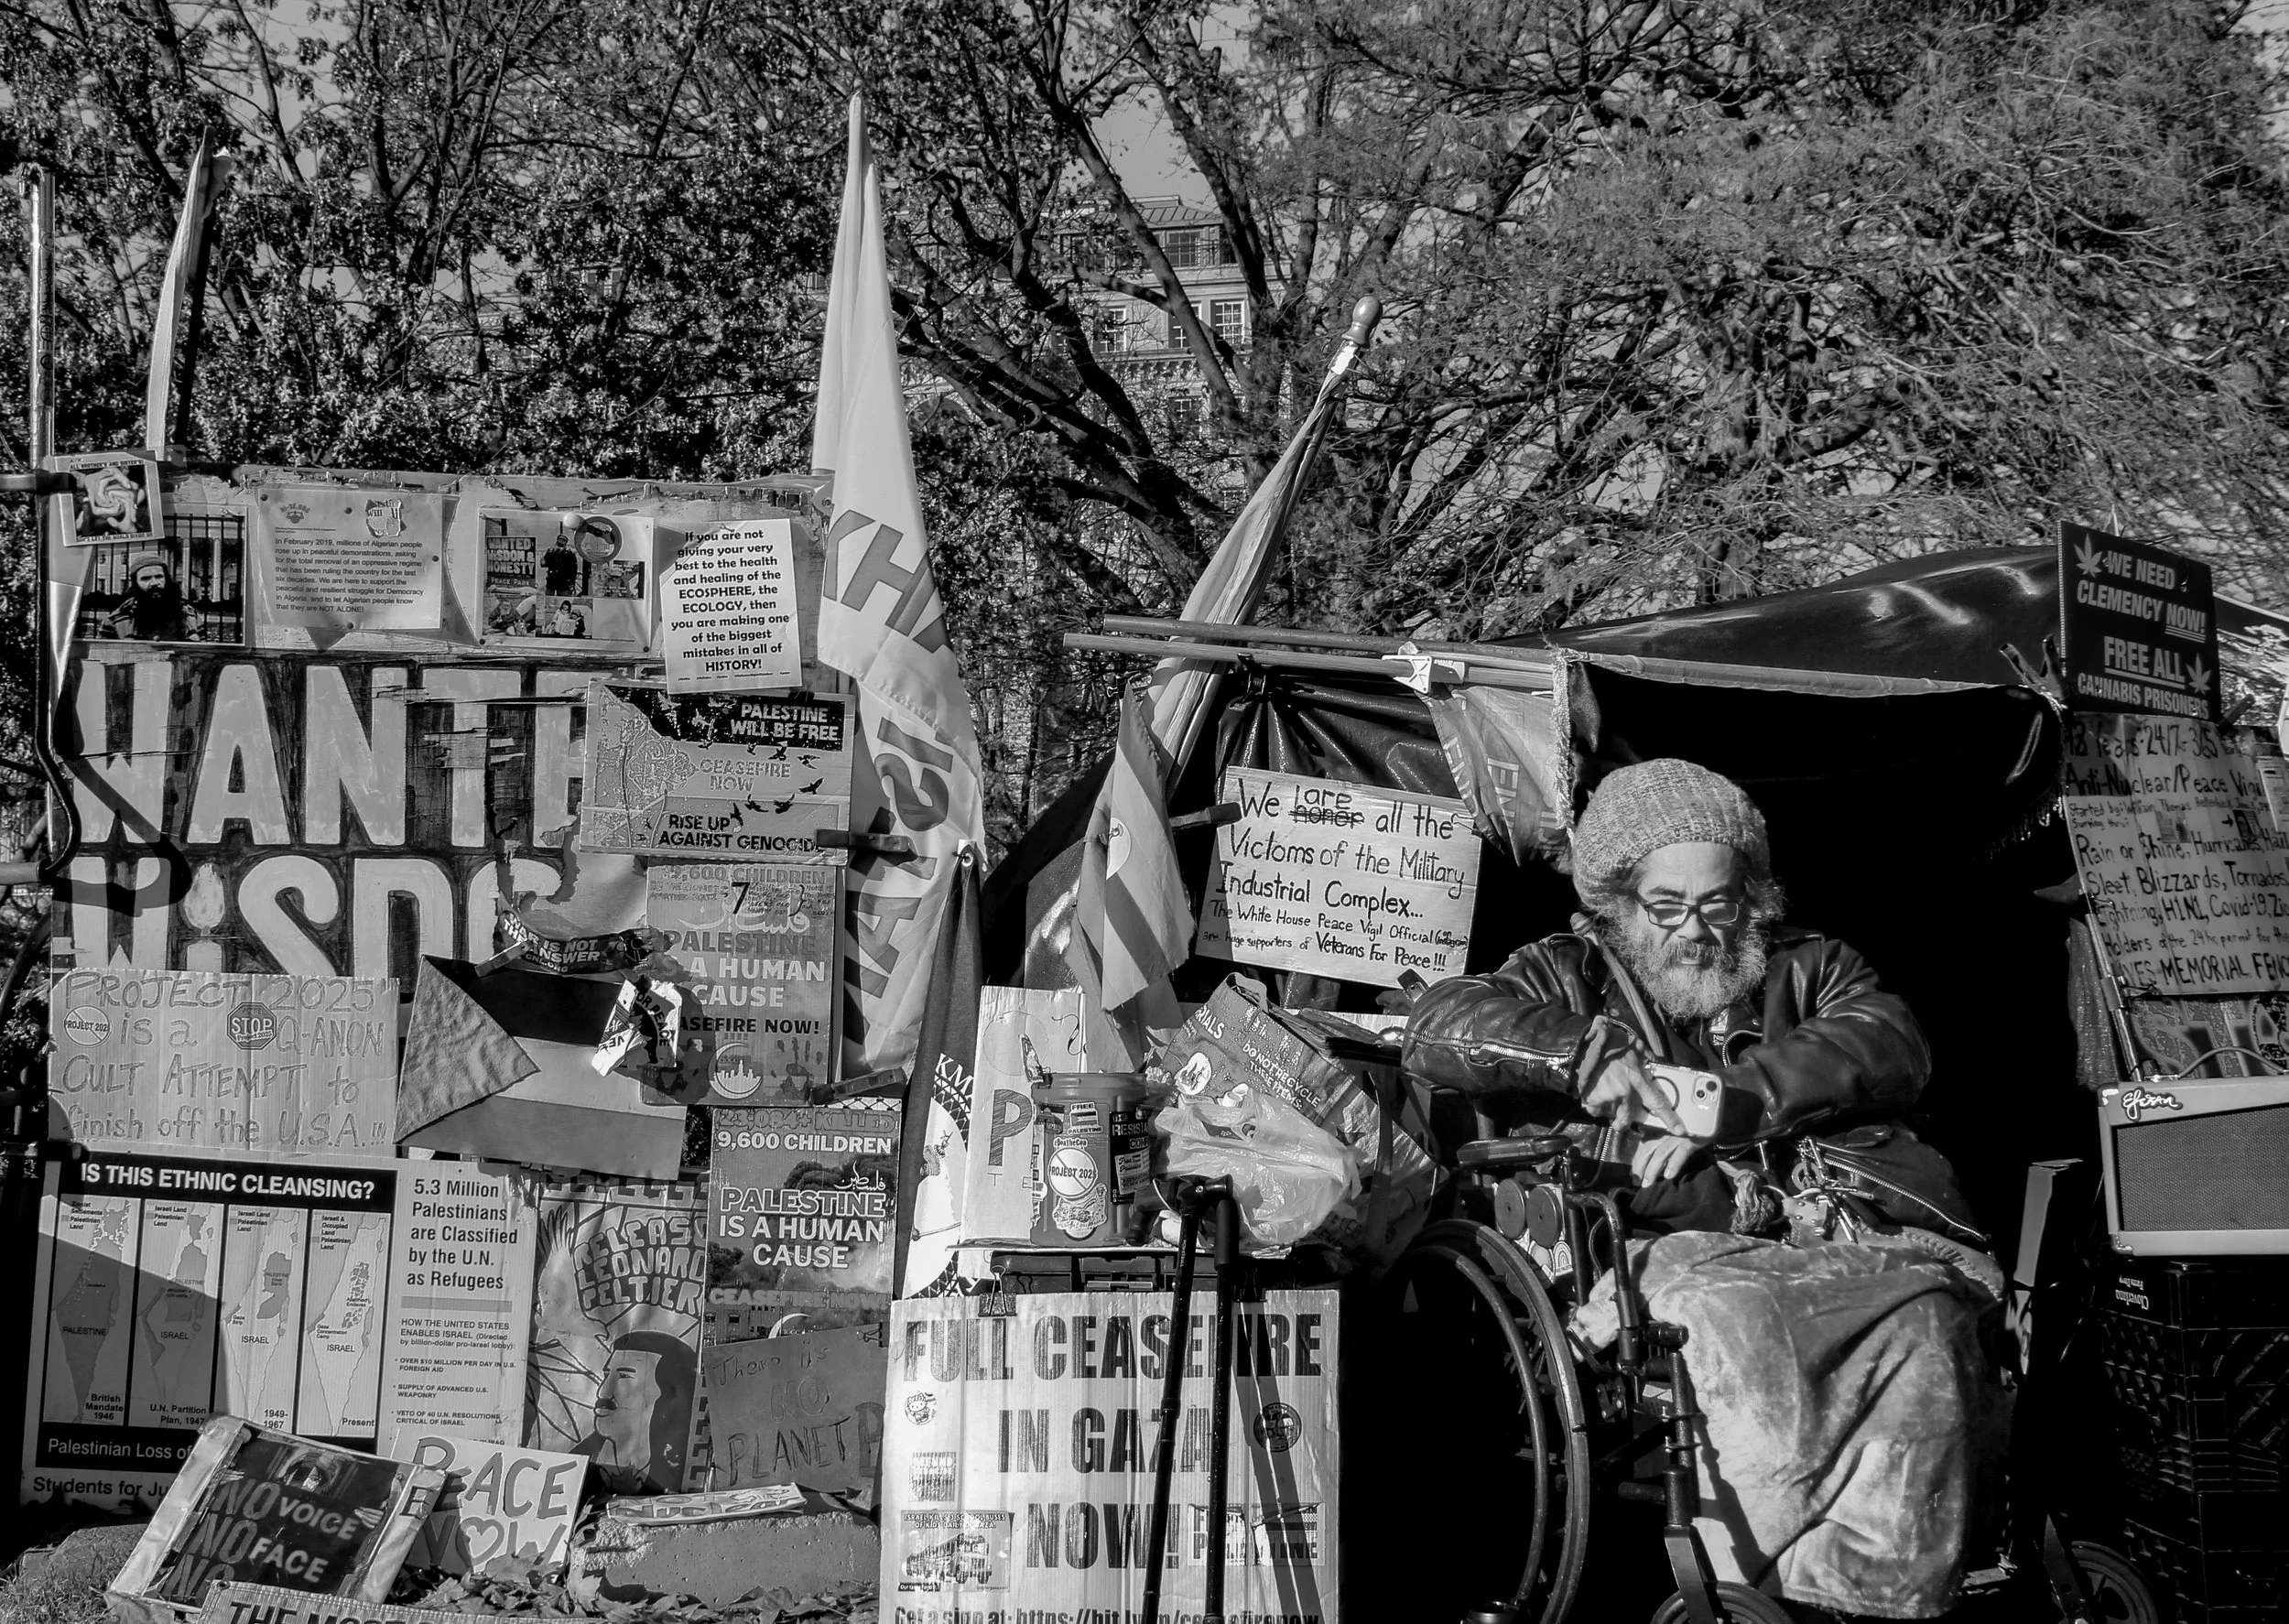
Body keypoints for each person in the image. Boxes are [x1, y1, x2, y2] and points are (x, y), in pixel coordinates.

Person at [1405, 757, 1976, 1240]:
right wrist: (1575, 1053)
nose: (1695, 929)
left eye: (1719, 905)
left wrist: (1721, 1102)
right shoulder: (1564, 970)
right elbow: (1433, 1026)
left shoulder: (1809, 965)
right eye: (1667, 906)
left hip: (1809, 1233)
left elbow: (1891, 1039)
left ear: (1752, 902)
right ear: (1622, 903)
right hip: (1631, 1244)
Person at [574, 1329, 696, 1494]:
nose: (602, 1392)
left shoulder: (683, 1471)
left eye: (624, 1376)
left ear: (667, 1395)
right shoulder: (574, 1468)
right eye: (606, 1375)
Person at [104, 554, 193, 642]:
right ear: (136, 583)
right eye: (146, 579)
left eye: (159, 576)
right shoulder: (115, 621)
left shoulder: (189, 615)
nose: (154, 583)